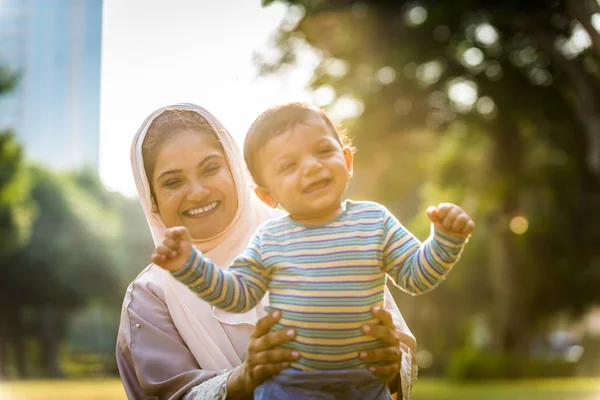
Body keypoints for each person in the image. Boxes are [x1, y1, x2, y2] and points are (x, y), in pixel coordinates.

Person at [152, 102, 474, 399]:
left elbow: (416, 277)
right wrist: (190, 265)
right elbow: (235, 295)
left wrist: (445, 241)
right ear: (267, 196)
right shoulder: (270, 239)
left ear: (347, 161)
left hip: (364, 390)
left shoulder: (374, 222)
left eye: (322, 150)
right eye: (288, 166)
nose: (311, 167)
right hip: (287, 391)